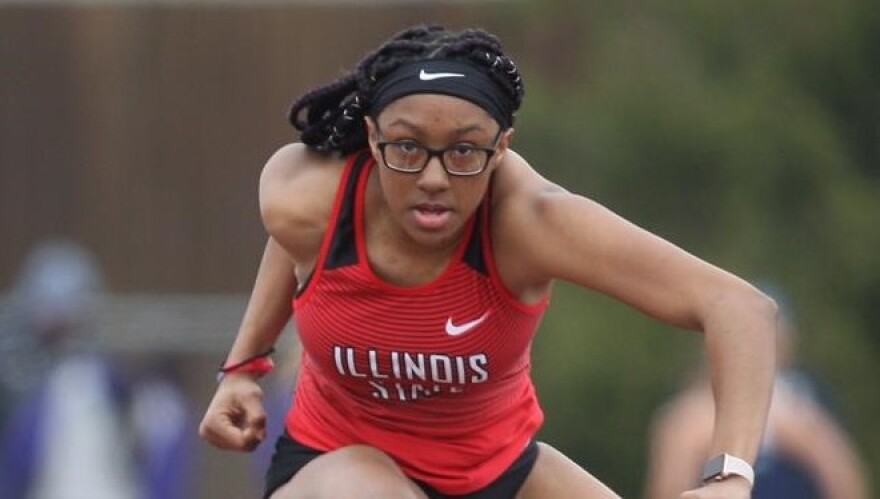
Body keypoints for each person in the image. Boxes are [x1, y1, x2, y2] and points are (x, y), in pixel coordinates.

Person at [199, 24, 777, 499]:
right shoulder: (303, 196)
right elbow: (298, 243)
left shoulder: (532, 222)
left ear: (502, 147)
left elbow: (740, 309)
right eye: (406, 147)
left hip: (501, 475)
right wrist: (244, 367)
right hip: (337, 470)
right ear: (372, 138)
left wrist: (728, 477)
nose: (433, 178)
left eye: (464, 152)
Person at [644, 290, 870, 499]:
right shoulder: (688, 418)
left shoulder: (809, 406)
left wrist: (809, 440)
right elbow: (667, 487)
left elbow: (846, 483)